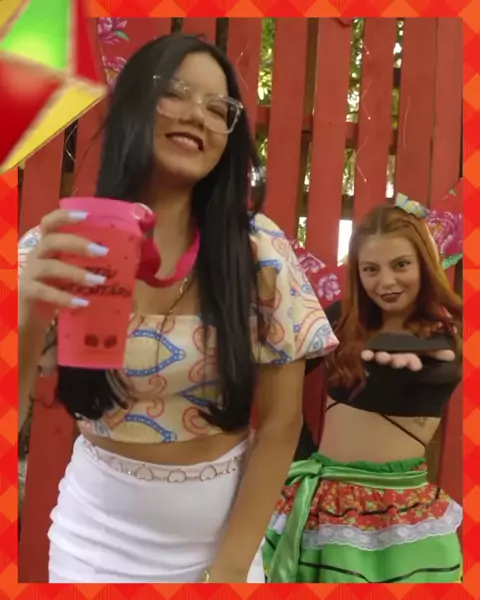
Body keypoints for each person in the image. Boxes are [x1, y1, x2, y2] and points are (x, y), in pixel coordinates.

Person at [18, 34, 339, 583]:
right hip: (94, 543)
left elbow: (282, 423)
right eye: (176, 93)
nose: (197, 115)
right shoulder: (64, 245)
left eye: (218, 108)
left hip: (223, 547)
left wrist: (229, 570)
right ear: (134, 105)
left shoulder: (258, 251)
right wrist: (26, 319)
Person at [263, 202, 463, 583]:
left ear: (423, 264)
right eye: (371, 269)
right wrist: (300, 448)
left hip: (398, 513)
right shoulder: (341, 320)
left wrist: (403, 350)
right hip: (320, 506)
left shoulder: (445, 340)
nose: (386, 281)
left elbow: (440, 366)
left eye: (400, 265)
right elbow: (280, 375)